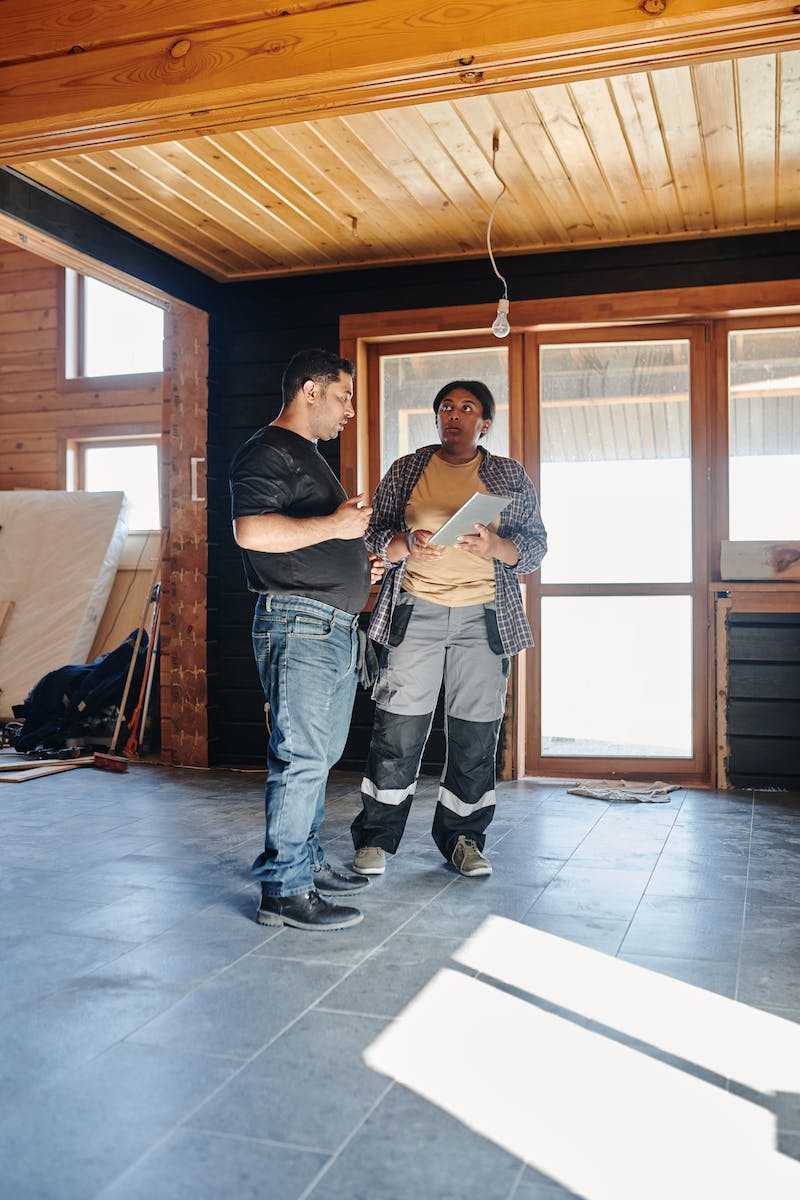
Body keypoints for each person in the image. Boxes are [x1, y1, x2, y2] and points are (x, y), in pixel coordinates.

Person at [350, 380, 547, 878]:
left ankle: (463, 838)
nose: (454, 415)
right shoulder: (408, 469)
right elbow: (374, 535)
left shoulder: (507, 475)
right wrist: (405, 543)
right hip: (416, 612)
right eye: (445, 407)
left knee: (475, 735)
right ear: (437, 418)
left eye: (467, 408)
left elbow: (536, 544)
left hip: (484, 618)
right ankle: (375, 839)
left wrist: (495, 546)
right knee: (398, 727)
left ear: (485, 422)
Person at [230, 347, 383, 930]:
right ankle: (284, 890)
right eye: (343, 395)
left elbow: (303, 539)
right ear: (310, 390)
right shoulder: (269, 450)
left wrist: (353, 560)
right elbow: (251, 531)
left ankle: (306, 861)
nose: (349, 409)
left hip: (329, 626)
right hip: (302, 625)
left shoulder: (307, 458)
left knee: (316, 758)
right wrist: (338, 527)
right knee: (301, 758)